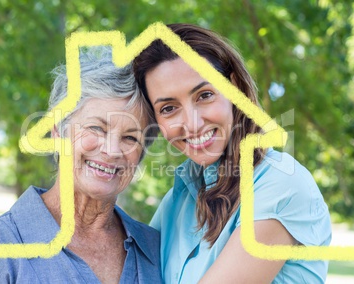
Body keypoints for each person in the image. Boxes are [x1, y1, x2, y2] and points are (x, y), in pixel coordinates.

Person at [133, 23, 332, 283]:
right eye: (169, 108)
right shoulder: (176, 202)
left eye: (204, 95)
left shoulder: (282, 184)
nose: (192, 124)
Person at [0, 46, 162, 284]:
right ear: (57, 131)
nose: (112, 150)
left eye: (131, 138)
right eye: (96, 128)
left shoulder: (155, 249)